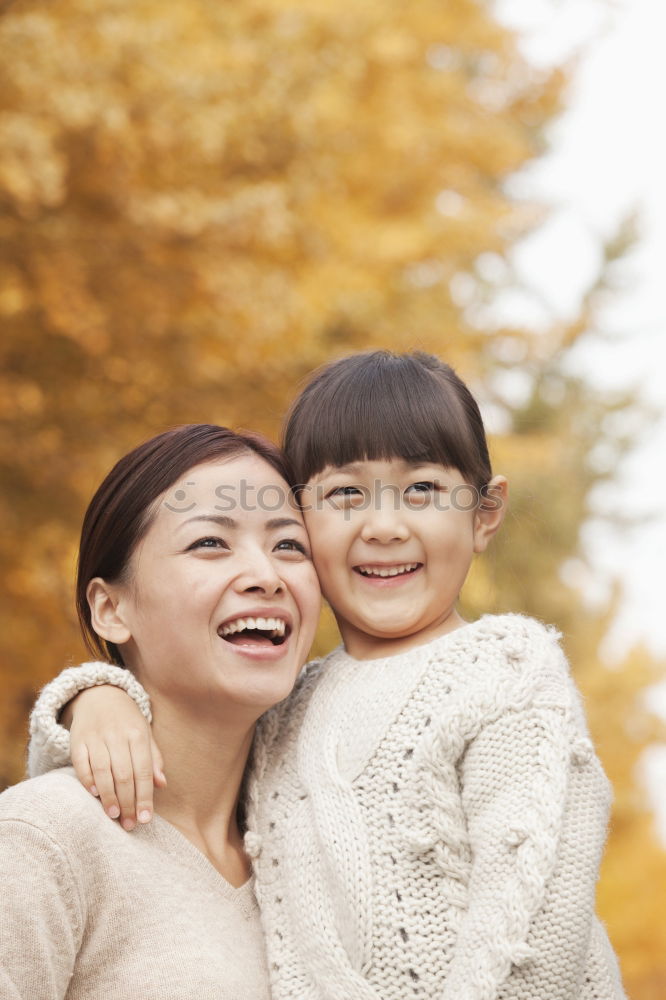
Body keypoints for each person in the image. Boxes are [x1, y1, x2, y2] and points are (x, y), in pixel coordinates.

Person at [27, 351, 626, 1000]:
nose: (385, 526)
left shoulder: (507, 673)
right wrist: (95, 694)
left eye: (422, 489)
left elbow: (531, 928)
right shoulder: (288, 709)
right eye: (344, 494)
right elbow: (125, 762)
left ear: (485, 514)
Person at [0, 424, 321, 999]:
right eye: (209, 543)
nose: (267, 577)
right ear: (111, 608)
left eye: (289, 546)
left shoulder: (313, 851)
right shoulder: (43, 836)